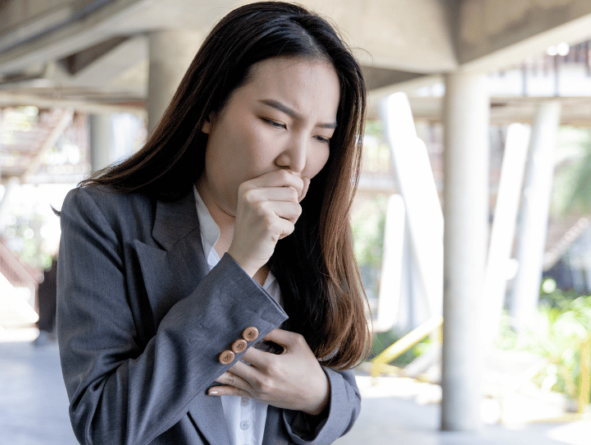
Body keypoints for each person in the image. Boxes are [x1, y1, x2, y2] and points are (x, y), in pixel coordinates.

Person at [56, 2, 370, 444]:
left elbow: (346, 395)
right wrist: (240, 265)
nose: (298, 160)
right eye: (275, 121)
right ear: (209, 110)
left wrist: (317, 394)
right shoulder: (104, 218)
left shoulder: (312, 230)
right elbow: (105, 425)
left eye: (321, 136)